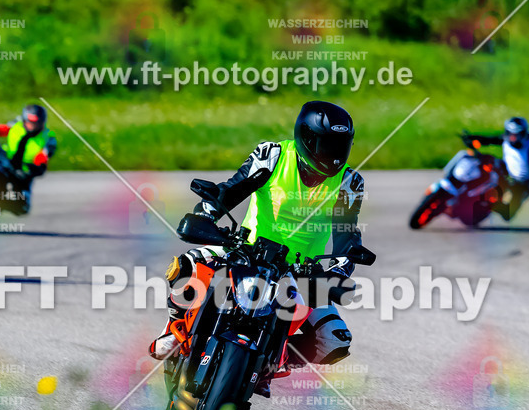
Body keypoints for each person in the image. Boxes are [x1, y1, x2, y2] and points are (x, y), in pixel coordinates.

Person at [148, 100, 366, 379]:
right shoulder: (272, 156)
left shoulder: (350, 183)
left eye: (340, 145)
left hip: (301, 273)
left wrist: (338, 270)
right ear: (307, 138)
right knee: (187, 265)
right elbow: (231, 190)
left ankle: (274, 359)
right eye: (327, 144)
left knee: (336, 340)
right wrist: (207, 214)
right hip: (245, 249)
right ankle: (175, 329)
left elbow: (347, 234)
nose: (334, 154)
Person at [0, 104, 58, 214]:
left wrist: (35, 168)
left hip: (24, 171)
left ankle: (0, 205)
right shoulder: (16, 125)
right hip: (6, 162)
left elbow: (45, 155)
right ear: (24, 119)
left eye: (35, 123)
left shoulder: (48, 136)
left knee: (23, 208)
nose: (32, 126)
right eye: (29, 122)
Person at [462, 116, 529, 220]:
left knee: (508, 215)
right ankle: (470, 193)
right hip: (504, 175)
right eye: (510, 134)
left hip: (521, 184)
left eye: (517, 135)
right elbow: (490, 140)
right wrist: (472, 138)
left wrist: (527, 184)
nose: (513, 138)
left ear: (524, 134)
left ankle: (488, 205)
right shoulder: (506, 139)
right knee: (489, 164)